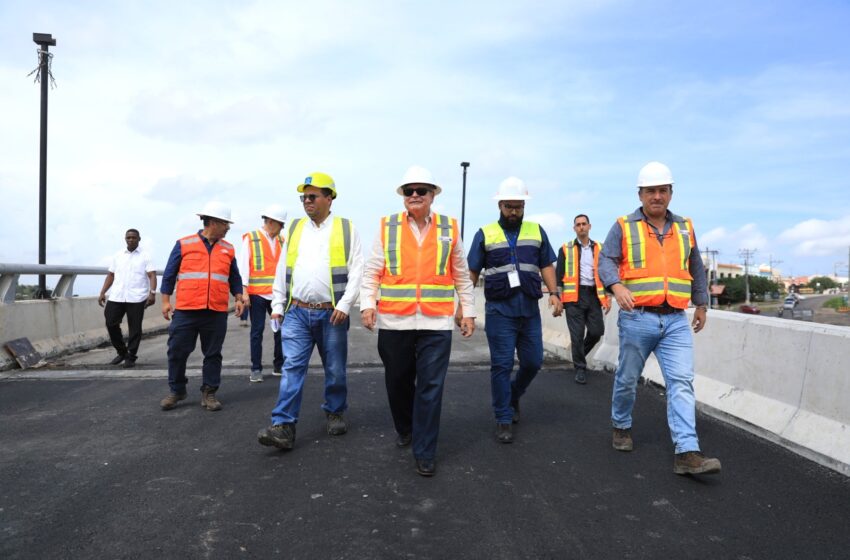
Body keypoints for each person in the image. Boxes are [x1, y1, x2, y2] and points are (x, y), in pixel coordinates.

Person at [598, 161, 721, 475]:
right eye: (650, 191)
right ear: (640, 194)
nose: (657, 196)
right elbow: (606, 261)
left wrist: (702, 304)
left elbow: (695, 268)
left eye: (662, 190)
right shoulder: (624, 226)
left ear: (671, 193)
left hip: (676, 320)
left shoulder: (684, 227)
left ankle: (687, 452)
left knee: (681, 382)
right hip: (638, 318)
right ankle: (621, 425)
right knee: (627, 379)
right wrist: (615, 286)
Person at [360, 165, 476, 477]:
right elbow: (372, 270)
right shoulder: (387, 226)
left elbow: (462, 275)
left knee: (431, 386)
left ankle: (424, 450)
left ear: (432, 195)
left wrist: (468, 310)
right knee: (397, 381)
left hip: (436, 323)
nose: (414, 195)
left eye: (421, 190)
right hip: (395, 320)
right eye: (408, 191)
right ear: (402, 197)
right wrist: (368, 304)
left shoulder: (449, 228)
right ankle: (406, 427)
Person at [257, 172, 363, 449]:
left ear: (329, 198)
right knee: (292, 367)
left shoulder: (346, 228)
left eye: (313, 196)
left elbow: (357, 271)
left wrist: (344, 304)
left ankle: (335, 410)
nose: (307, 201)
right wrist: (278, 305)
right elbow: (283, 269)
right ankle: (283, 425)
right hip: (297, 312)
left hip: (332, 314)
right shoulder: (294, 228)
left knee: (336, 369)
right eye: (304, 197)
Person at [465, 177, 561, 444]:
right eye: (509, 206)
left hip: (529, 310)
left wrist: (554, 293)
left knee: (533, 362)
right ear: (500, 204)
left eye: (519, 206)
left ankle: (513, 394)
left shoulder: (536, 230)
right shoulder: (485, 233)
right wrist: (465, 306)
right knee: (502, 364)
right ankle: (503, 417)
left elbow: (546, 266)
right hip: (499, 310)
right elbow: (472, 271)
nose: (514, 212)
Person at [159, 202, 245, 412]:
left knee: (213, 354)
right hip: (187, 310)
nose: (228, 228)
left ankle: (209, 392)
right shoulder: (184, 243)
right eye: (225, 223)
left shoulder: (228, 248)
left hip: (215, 311)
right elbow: (170, 274)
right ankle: (177, 390)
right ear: (213, 222)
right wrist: (165, 301)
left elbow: (234, 276)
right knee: (177, 351)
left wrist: (239, 297)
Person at [556, 214, 610, 385]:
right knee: (577, 335)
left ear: (589, 226)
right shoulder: (566, 248)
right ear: (574, 228)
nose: (581, 227)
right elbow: (559, 276)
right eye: (578, 225)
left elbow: (607, 272)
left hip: (594, 296)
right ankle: (580, 367)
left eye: (584, 224)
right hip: (573, 297)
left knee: (596, 332)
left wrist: (607, 296)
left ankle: (578, 357)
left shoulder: (601, 248)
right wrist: (557, 297)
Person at [239, 205, 287, 383]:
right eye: (280, 224)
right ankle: (256, 368)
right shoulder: (251, 238)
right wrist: (244, 291)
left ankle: (279, 365)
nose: (282, 228)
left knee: (280, 331)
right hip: (257, 295)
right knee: (257, 331)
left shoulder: (283, 240)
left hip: (277, 296)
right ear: (271, 222)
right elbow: (244, 265)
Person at [97, 228, 157, 368]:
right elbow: (111, 275)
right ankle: (122, 352)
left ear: (139, 239)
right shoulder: (118, 255)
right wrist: (102, 292)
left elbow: (152, 275)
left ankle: (131, 355)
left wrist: (152, 293)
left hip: (137, 297)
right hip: (117, 295)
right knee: (111, 322)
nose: (131, 240)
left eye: (134, 238)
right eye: (128, 237)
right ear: (125, 239)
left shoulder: (145, 256)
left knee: (134, 328)